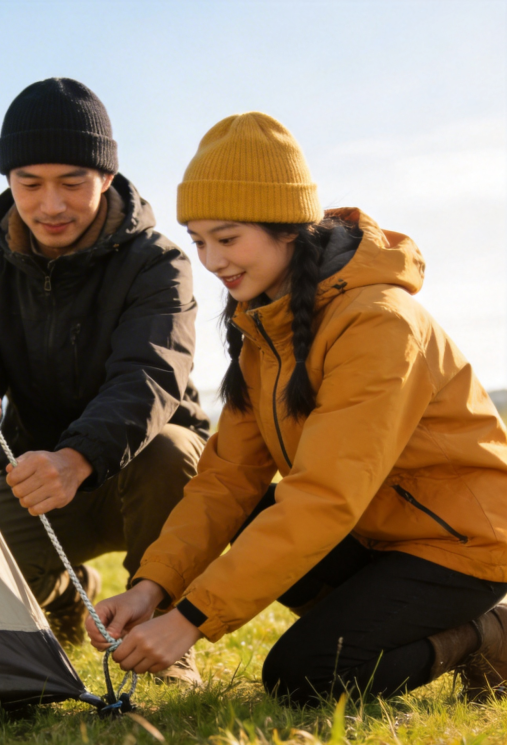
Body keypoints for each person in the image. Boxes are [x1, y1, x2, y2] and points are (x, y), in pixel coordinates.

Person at [87, 112, 507, 703]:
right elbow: (226, 477)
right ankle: (380, 617)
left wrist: (192, 621)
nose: (211, 261)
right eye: (199, 240)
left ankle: (488, 634)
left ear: (289, 229)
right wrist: (152, 589)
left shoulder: (379, 322)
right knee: (253, 505)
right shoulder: (266, 326)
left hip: (465, 542)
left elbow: (325, 494)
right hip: (377, 532)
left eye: (228, 238)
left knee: (306, 673)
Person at [0, 78, 209, 682]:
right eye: (29, 183)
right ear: (8, 180)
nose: (50, 205)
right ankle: (64, 590)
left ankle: (163, 631)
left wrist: (78, 458)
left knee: (173, 450)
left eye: (72, 183)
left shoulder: (158, 260)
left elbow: (151, 376)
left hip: (146, 472)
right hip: (42, 483)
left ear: (106, 177)